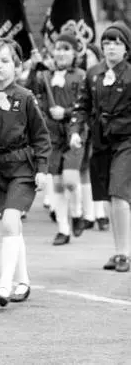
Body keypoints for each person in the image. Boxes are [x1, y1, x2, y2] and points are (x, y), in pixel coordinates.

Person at [0, 38, 51, 307]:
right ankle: (23, 281)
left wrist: (42, 169)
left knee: (10, 221)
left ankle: (4, 285)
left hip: (23, 167)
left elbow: (41, 137)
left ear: (17, 66)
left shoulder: (26, 98)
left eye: (5, 61)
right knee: (13, 225)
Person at [70, 22, 131, 272]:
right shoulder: (93, 73)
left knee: (118, 193)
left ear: (126, 48)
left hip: (127, 140)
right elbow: (81, 106)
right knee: (108, 196)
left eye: (117, 42)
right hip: (101, 141)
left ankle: (124, 254)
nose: (110, 47)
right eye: (106, 43)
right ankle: (119, 251)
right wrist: (75, 131)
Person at [28, 33, 85, 245]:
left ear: (75, 53)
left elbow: (85, 105)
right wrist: (35, 68)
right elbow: (32, 90)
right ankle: (63, 228)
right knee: (58, 184)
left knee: (70, 180)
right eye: (58, 48)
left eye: (66, 49)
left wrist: (67, 112)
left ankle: (78, 212)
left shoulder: (80, 76)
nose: (61, 53)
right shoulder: (46, 74)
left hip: (73, 133)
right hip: (52, 134)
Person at [79, 43, 110, 231]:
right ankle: (89, 214)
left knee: (98, 169)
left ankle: (100, 213)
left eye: (90, 55)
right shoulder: (79, 75)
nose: (86, 58)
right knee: (84, 171)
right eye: (84, 56)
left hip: (100, 129)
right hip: (83, 128)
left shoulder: (100, 75)